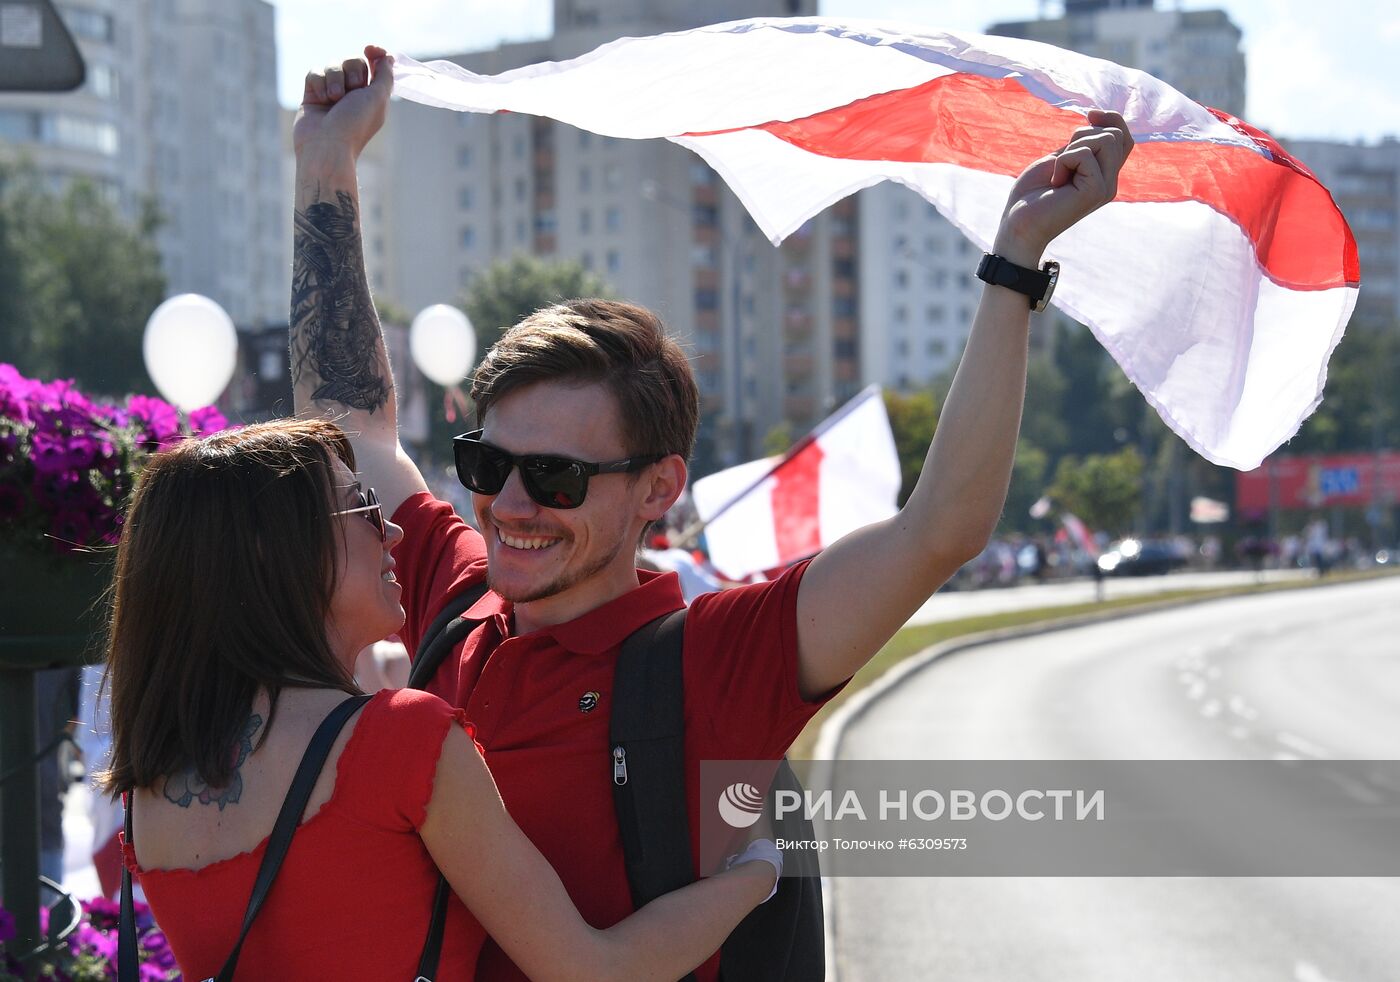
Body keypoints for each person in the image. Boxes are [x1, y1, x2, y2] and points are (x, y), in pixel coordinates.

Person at [291, 46, 1132, 980]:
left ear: (660, 487)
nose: (512, 505)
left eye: (559, 477)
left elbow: (940, 530)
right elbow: (348, 424)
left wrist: (1015, 265)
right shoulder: (454, 603)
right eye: (487, 464)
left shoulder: (715, 662)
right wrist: (326, 162)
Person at [102, 419, 778, 981]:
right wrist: (756, 872)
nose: (392, 532)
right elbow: (593, 971)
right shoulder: (399, 741)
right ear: (271, 554)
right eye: (363, 508)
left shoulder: (149, 783)